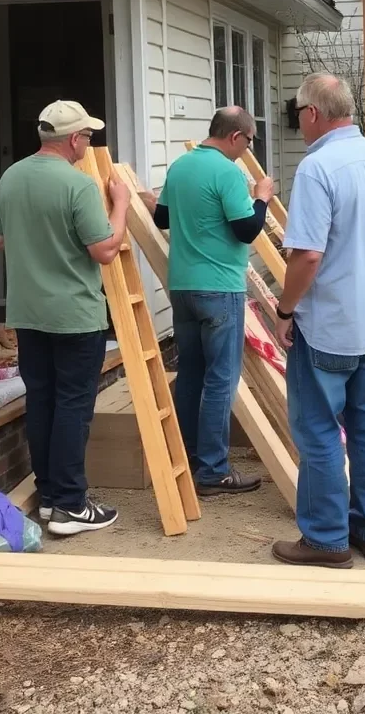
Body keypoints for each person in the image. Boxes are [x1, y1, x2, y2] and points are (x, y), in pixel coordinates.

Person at [271, 73, 365, 569]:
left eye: (297, 114)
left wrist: (285, 309)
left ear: (313, 113)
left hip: (327, 325)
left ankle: (326, 539)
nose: (298, 124)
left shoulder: (317, 168)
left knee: (319, 431)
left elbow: (307, 255)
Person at [0, 100, 126, 536]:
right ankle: (69, 506)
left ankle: (49, 498)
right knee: (72, 406)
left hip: (27, 313)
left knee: (42, 401)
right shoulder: (77, 184)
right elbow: (103, 250)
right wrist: (119, 204)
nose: (88, 142)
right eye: (87, 135)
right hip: (74, 315)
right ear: (72, 139)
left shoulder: (12, 176)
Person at [144, 107, 274, 496]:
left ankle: (189, 455)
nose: (247, 149)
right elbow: (247, 229)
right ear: (235, 136)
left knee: (191, 374)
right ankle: (214, 470)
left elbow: (162, 219)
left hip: (182, 288)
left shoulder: (181, 167)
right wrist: (262, 198)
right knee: (221, 379)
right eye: (249, 141)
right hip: (219, 288)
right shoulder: (227, 172)